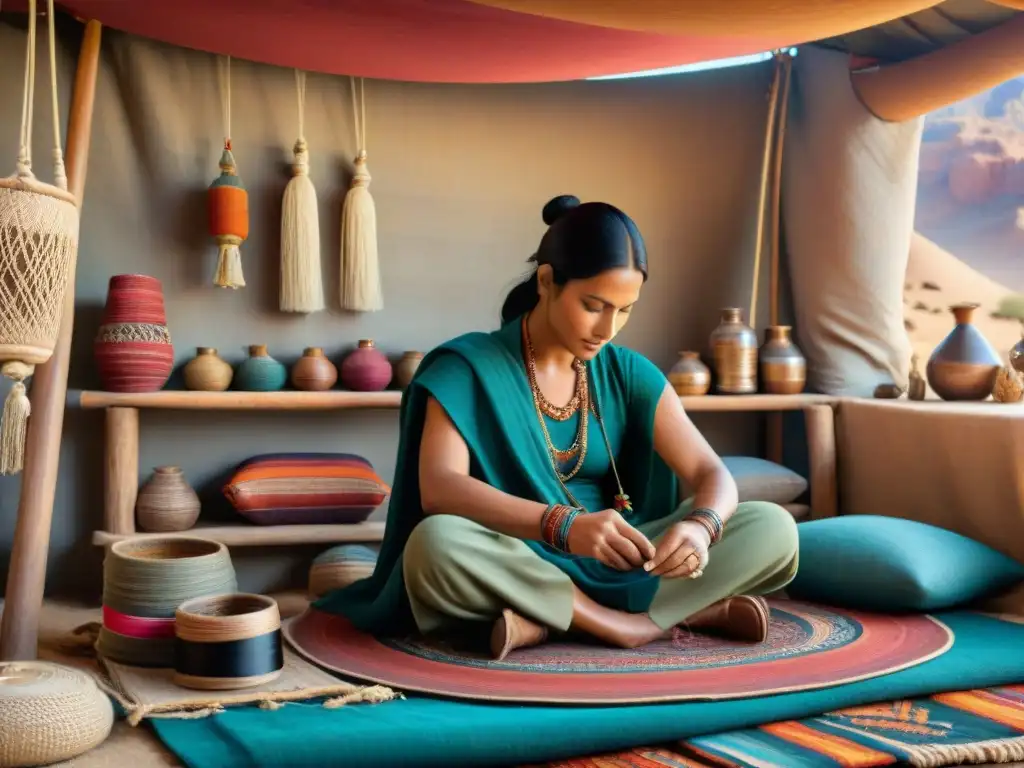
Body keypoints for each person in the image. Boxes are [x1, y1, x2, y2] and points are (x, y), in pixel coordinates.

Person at [316, 195, 799, 660]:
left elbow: (711, 475)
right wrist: (563, 526)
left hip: (623, 556)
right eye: (594, 305)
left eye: (625, 310)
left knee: (774, 528)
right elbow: (440, 490)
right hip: (516, 555)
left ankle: (546, 621)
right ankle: (648, 620)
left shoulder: (626, 371)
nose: (608, 328)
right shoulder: (466, 366)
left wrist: (700, 528)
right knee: (435, 545)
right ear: (547, 281)